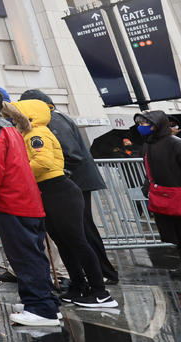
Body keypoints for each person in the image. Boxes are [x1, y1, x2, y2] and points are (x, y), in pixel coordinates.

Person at [0, 85, 60, 327]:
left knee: (24, 257)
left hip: (13, 202)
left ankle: (41, 308)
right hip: (26, 201)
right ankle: (43, 302)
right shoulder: (5, 125)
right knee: (32, 255)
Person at [13, 99, 115, 308]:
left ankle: (100, 292)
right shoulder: (30, 134)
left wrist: (17, 173)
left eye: (16, 116)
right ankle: (78, 286)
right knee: (64, 242)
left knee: (77, 242)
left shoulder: (36, 134)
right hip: (50, 192)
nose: (13, 120)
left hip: (59, 192)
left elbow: (43, 162)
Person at [137, 110, 181, 274]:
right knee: (179, 235)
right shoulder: (148, 145)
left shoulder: (176, 143)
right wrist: (147, 187)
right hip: (165, 197)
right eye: (140, 124)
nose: (141, 127)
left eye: (145, 123)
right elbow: (149, 169)